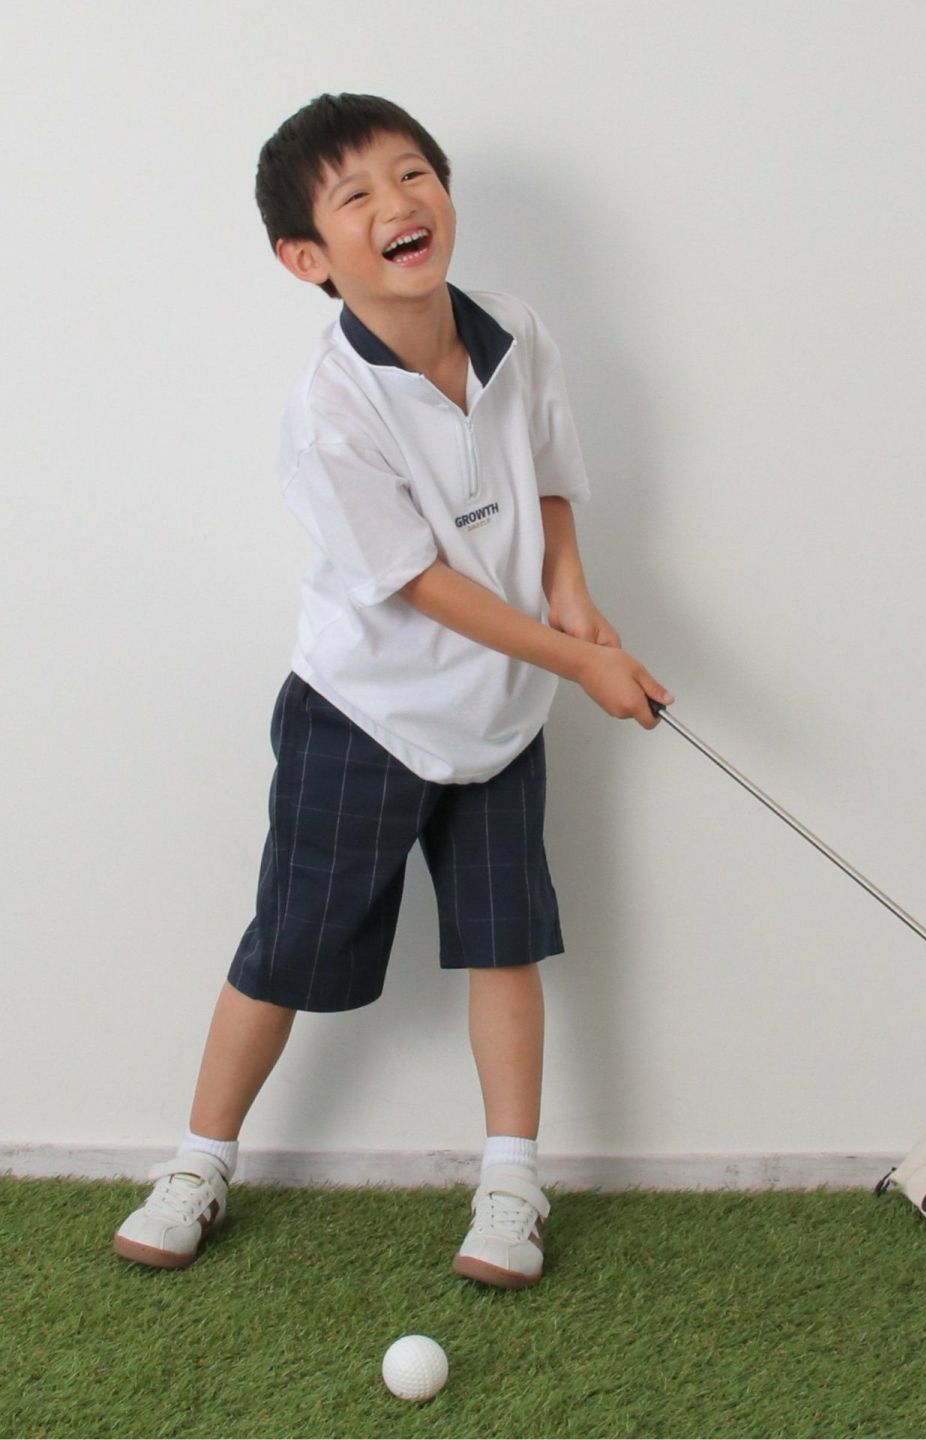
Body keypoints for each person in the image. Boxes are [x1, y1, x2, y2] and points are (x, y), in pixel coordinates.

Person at [112, 92, 673, 1290]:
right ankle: (199, 1164)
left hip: (503, 711)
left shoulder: (515, 330)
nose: (399, 203)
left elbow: (550, 477)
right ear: (305, 258)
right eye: (355, 194)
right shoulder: (329, 412)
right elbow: (419, 582)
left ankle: (512, 1184)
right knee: (287, 946)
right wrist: (579, 660)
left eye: (414, 173)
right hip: (365, 716)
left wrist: (572, 596)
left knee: (504, 944)